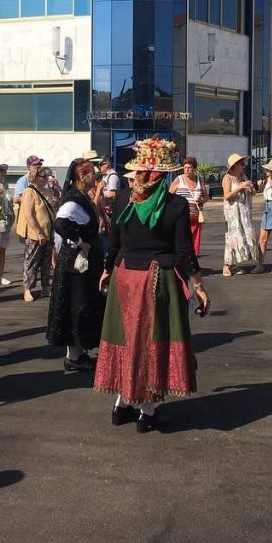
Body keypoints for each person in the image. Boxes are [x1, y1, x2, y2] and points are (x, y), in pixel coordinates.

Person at [95, 137, 210, 433]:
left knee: (128, 340)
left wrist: (107, 270)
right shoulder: (176, 204)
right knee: (151, 343)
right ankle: (146, 413)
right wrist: (198, 285)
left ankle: (121, 405)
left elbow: (114, 242)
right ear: (165, 174)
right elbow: (184, 250)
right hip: (156, 278)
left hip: (125, 276)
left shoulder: (123, 198)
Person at [48, 158, 105, 372]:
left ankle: (78, 353)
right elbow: (60, 223)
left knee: (81, 304)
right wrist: (81, 242)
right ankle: (73, 356)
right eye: (92, 173)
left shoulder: (82, 197)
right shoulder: (73, 200)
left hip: (80, 262)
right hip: (74, 263)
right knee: (76, 305)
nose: (96, 176)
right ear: (82, 176)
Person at [15, 166, 54, 302]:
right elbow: (28, 215)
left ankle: (45, 287)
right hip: (35, 233)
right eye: (44, 177)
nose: (47, 179)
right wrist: (39, 232)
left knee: (46, 262)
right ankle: (28, 289)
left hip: (48, 231)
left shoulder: (46, 191)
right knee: (31, 262)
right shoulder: (29, 192)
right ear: (36, 177)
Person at [221, 153, 259, 276]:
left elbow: (252, 192)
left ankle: (235, 264)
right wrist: (240, 187)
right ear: (234, 166)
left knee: (243, 237)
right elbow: (227, 196)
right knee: (233, 237)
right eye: (241, 164)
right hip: (233, 211)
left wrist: (252, 187)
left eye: (244, 164)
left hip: (243, 210)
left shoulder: (243, 176)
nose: (244, 166)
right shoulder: (227, 178)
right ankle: (226, 265)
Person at [169, 156, 209, 256]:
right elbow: (169, 195)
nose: (187, 170)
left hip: (196, 215)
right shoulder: (179, 179)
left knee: (195, 239)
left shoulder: (199, 180)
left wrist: (201, 200)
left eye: (189, 167)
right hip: (181, 216)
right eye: (185, 167)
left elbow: (206, 196)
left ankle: (193, 258)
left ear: (194, 168)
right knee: (182, 238)